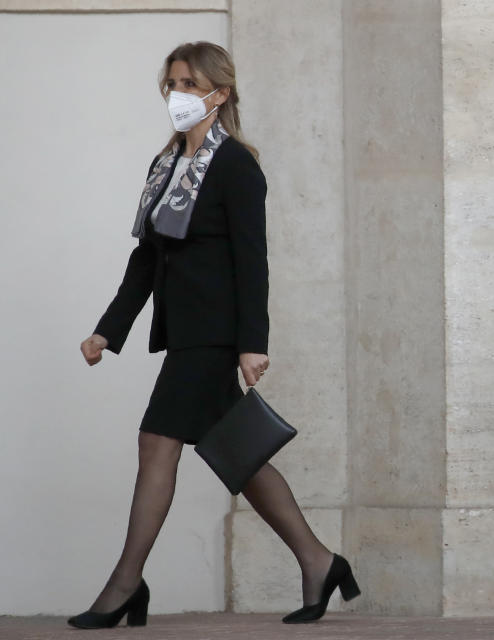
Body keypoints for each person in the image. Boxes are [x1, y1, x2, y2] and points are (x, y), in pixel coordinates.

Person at [69, 42, 359, 629]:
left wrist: (254, 342)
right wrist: (108, 330)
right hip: (184, 331)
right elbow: (147, 261)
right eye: (170, 83)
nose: (176, 94)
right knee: (238, 454)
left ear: (218, 94)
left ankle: (125, 584)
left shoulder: (235, 166)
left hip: (215, 333)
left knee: (157, 443)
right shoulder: (165, 165)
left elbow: (254, 261)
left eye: (188, 83)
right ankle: (320, 560)